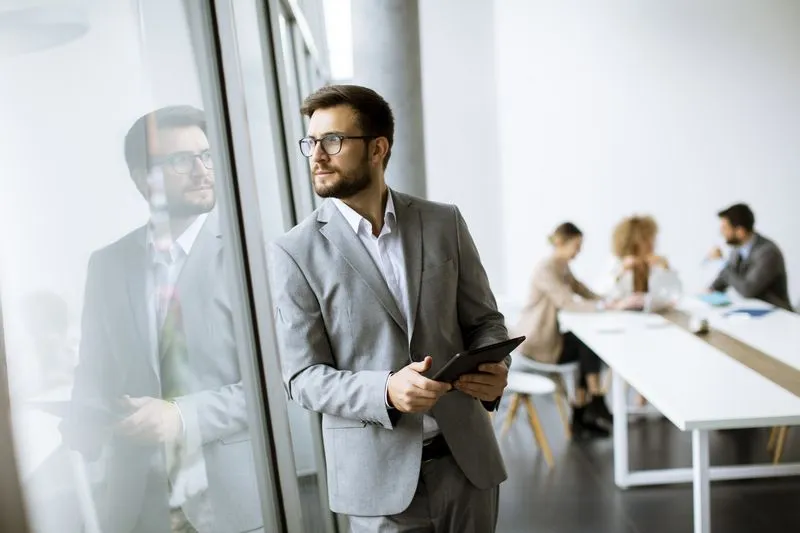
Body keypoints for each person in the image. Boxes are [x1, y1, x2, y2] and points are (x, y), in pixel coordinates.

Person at [268, 85, 508, 533]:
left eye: (333, 141)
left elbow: (486, 322)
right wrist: (385, 391)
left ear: (378, 148)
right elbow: (301, 378)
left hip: (467, 464)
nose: (316, 155)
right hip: (378, 484)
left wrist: (496, 366)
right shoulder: (294, 252)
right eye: (311, 142)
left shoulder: (443, 222)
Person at [61, 106, 262, 533]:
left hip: (240, 503)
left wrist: (181, 416)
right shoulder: (109, 265)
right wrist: (84, 419)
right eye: (180, 160)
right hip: (141, 506)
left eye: (207, 156)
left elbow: (280, 384)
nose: (201, 170)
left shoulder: (254, 257)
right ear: (142, 179)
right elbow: (95, 370)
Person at [514, 223, 643, 438]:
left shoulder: (562, 266)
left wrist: (612, 302)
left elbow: (582, 290)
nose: (579, 251)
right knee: (586, 345)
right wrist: (606, 307)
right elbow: (566, 301)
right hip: (537, 344)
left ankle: (585, 412)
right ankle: (594, 402)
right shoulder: (546, 269)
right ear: (560, 243)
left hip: (549, 338)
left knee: (586, 346)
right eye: (576, 245)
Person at [708, 203, 792, 310]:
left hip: (777, 313)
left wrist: (721, 262)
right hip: (752, 310)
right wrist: (711, 290)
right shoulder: (738, 248)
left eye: (725, 228)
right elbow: (727, 276)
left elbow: (747, 290)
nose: (722, 233)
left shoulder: (768, 252)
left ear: (740, 231)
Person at [598, 215, 679, 311]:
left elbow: (674, 296)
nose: (652, 244)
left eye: (652, 238)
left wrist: (667, 270)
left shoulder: (657, 264)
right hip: (620, 317)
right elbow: (601, 295)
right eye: (645, 239)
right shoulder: (616, 263)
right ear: (632, 240)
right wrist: (621, 271)